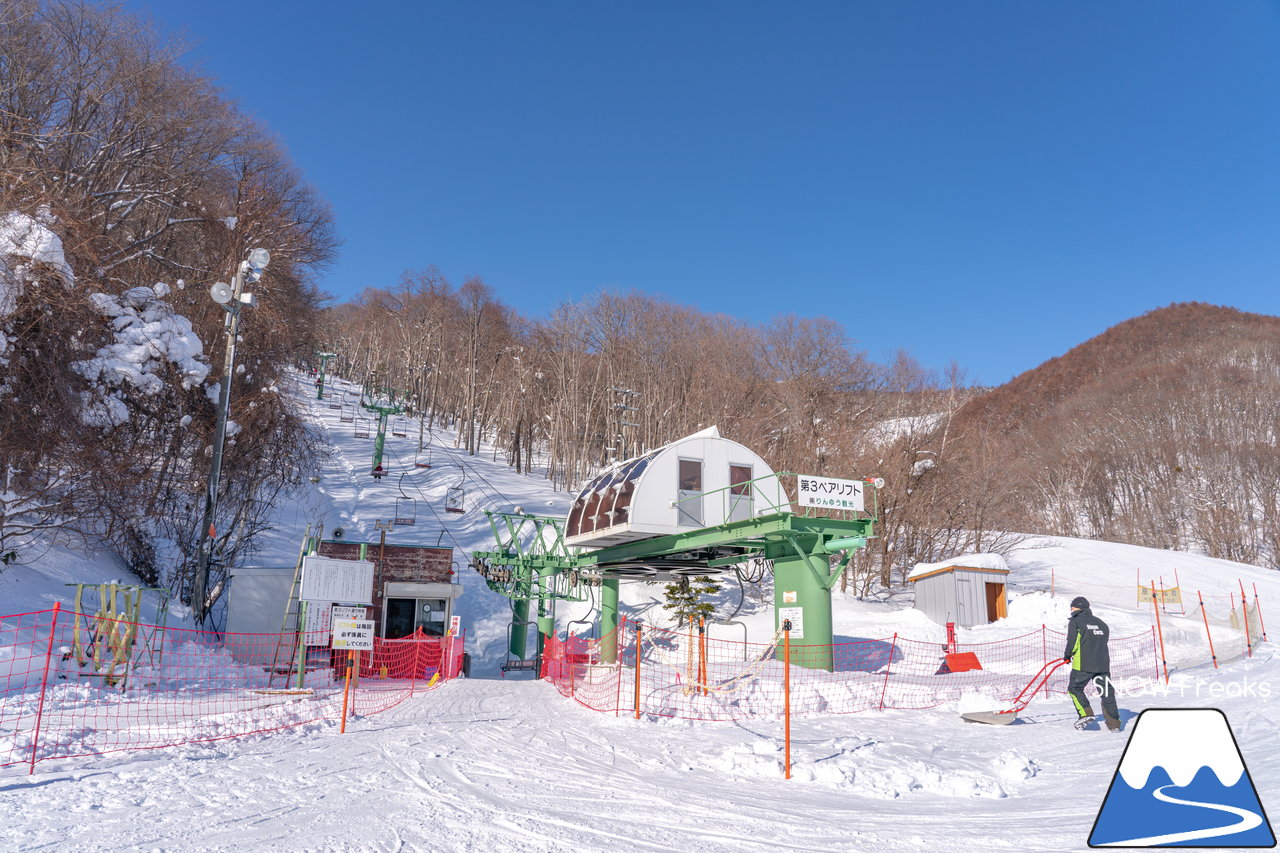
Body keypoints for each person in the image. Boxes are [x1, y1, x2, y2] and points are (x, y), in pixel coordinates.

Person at [1063, 596, 1122, 732]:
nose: (1071, 609)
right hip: (1102, 664)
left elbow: (1073, 642)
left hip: (1083, 664)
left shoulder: (1076, 621)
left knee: (1075, 689)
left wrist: (1067, 655)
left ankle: (1085, 714)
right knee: (1107, 693)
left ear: (1078, 607)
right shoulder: (1101, 623)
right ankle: (1114, 725)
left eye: (1072, 607)